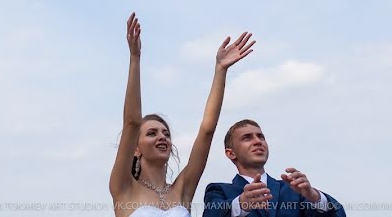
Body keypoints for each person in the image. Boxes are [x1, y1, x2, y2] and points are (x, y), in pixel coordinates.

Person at [110, 13, 256, 217]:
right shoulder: (124, 187)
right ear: (135, 147)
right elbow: (132, 122)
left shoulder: (183, 189)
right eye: (151, 133)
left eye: (166, 134)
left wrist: (220, 70)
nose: (162, 137)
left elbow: (207, 131)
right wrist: (135, 58)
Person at [202, 119, 345, 217]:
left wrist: (315, 197)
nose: (258, 141)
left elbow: (338, 213)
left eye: (261, 137)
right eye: (247, 138)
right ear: (231, 153)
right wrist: (241, 204)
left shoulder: (294, 190)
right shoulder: (218, 191)